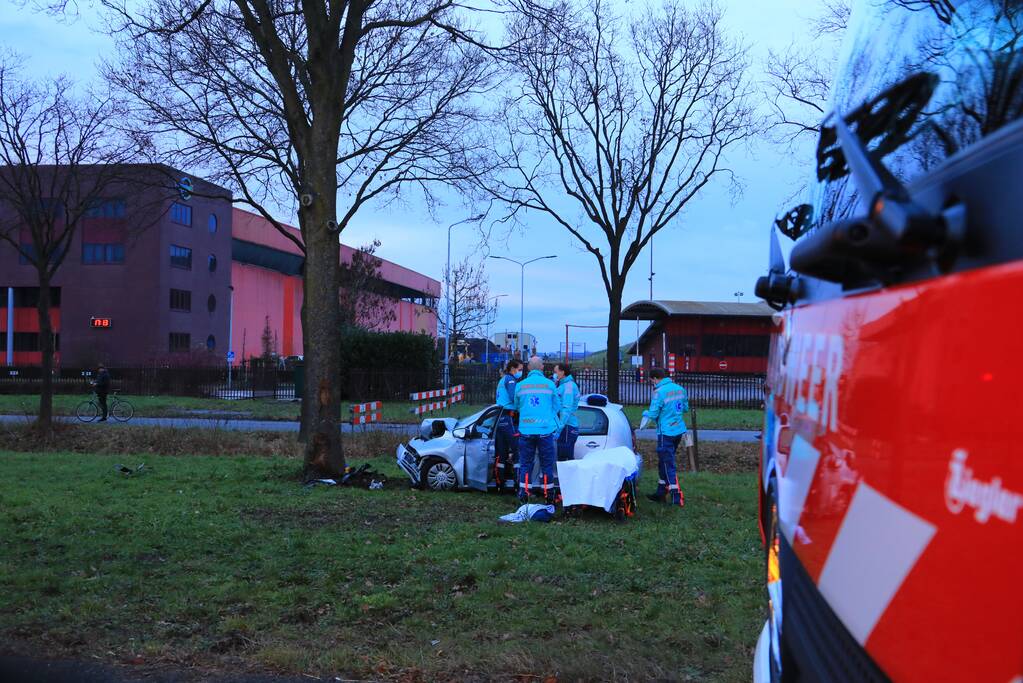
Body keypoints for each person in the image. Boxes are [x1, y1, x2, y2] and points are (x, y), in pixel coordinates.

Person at [514, 356, 562, 504]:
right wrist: (546, 416)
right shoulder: (549, 385)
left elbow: (517, 407)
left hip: (526, 431)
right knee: (547, 464)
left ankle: (524, 494)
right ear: (542, 368)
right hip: (545, 431)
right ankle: (548, 495)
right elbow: (557, 406)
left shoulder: (520, 385)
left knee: (526, 464)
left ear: (528, 368)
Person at [640, 367, 689, 506]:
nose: (652, 384)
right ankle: (660, 492)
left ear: (655, 378)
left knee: (668, 464)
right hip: (678, 431)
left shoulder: (659, 392)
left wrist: (645, 413)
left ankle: (676, 496)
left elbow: (653, 414)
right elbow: (684, 408)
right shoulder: (680, 389)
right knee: (663, 461)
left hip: (665, 433)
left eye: (651, 381)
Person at [494, 359, 523, 490]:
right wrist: (522, 407)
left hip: (500, 418)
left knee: (501, 452)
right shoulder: (511, 380)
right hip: (509, 418)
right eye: (520, 369)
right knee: (517, 450)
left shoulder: (502, 380)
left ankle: (499, 483)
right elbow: (514, 397)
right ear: (513, 369)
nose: (521, 372)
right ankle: (518, 483)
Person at [554, 363, 580, 462]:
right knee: (565, 460)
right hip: (567, 426)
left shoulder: (568, 386)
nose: (555, 374)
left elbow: (566, 409)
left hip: (567, 427)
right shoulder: (565, 385)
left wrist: (559, 429)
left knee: (564, 461)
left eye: (556, 372)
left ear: (562, 372)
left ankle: (566, 478)